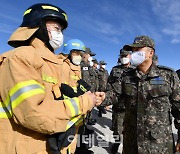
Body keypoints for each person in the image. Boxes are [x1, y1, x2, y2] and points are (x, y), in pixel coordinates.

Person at [0, 3, 105, 154]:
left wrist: (90, 99)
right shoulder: (20, 58)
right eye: (56, 28)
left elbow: (58, 101)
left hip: (51, 144)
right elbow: (33, 113)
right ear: (38, 25)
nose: (60, 34)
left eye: (61, 30)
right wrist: (85, 102)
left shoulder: (48, 62)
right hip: (26, 147)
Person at [104, 35, 180, 154]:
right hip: (131, 142)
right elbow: (114, 94)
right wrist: (99, 98)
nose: (134, 53)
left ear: (151, 53)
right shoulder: (126, 76)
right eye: (133, 51)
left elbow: (178, 108)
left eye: (138, 50)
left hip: (159, 145)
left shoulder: (168, 75)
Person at [108, 49, 134, 154]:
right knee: (117, 129)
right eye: (122, 56)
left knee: (131, 128)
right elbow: (109, 85)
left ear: (130, 56)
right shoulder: (115, 70)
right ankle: (117, 143)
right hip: (118, 105)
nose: (124, 58)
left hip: (131, 105)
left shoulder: (135, 69)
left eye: (126, 55)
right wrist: (108, 101)